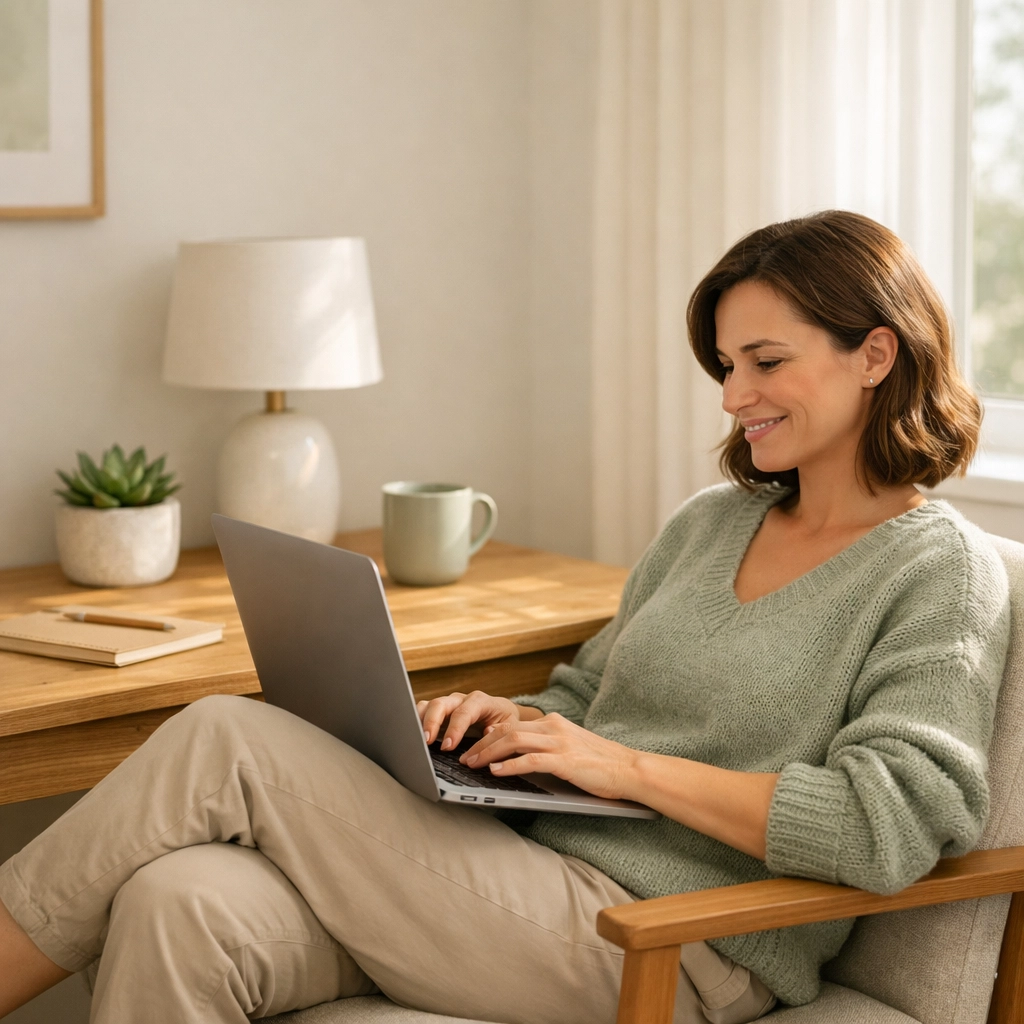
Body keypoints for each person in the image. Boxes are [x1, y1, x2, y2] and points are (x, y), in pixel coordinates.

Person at [0, 210, 1011, 1024]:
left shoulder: (940, 573)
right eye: (723, 367)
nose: (732, 395)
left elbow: (886, 827)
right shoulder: (712, 523)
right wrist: (501, 718)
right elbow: (585, 694)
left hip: (669, 942)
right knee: (178, 904)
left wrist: (621, 769)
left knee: (228, 734)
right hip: (518, 881)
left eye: (762, 361)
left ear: (874, 354)